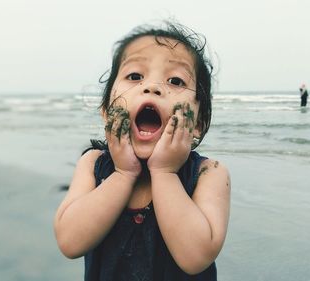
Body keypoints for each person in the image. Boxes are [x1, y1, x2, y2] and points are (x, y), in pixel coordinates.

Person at [54, 22, 230, 281]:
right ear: (106, 110)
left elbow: (195, 258)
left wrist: (164, 172)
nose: (153, 87)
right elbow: (70, 242)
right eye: (135, 76)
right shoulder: (92, 165)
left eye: (176, 80)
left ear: (198, 123)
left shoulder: (208, 174)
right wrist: (124, 173)